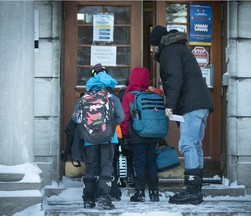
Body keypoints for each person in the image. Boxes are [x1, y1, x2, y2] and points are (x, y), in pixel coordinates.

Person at [149, 26, 214, 205]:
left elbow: (175, 78)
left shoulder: (169, 51)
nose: (154, 50)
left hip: (191, 104)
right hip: (200, 103)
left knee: (187, 144)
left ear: (158, 43)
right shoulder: (180, 48)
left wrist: (170, 104)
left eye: (154, 46)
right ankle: (196, 189)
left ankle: (192, 191)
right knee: (195, 144)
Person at [74, 63, 125, 210]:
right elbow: (121, 116)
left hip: (89, 140)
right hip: (109, 138)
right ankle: (104, 198)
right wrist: (110, 125)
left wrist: (87, 128)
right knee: (106, 166)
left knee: (91, 167)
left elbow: (75, 118)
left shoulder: (84, 98)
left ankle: (88, 199)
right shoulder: (112, 97)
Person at [120, 67, 162, 202]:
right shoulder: (154, 93)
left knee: (139, 162)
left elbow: (125, 117)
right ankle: (154, 193)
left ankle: (140, 192)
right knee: (151, 162)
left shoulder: (129, 95)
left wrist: (124, 134)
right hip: (153, 134)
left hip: (137, 134)